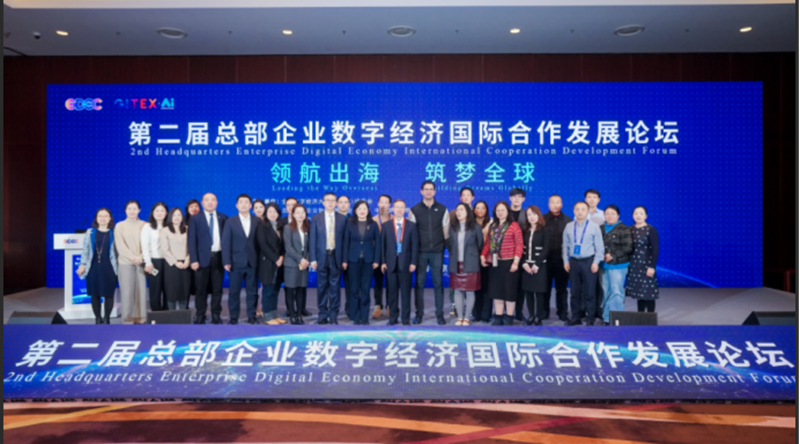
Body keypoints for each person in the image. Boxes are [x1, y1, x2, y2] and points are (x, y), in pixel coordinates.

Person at [408, 180, 449, 325]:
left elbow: (446, 231)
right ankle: (419, 314)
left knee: (438, 283)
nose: (428, 191)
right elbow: (411, 233)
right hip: (420, 252)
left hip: (437, 251)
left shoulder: (443, 209)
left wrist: (445, 247)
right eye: (426, 189)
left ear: (435, 191)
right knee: (419, 283)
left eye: (431, 189)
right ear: (421, 191)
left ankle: (439, 314)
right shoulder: (414, 210)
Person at [480, 201, 523, 326]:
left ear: (507, 211)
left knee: (509, 291)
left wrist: (516, 262)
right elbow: (488, 243)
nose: (500, 212)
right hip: (495, 263)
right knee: (496, 291)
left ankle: (509, 316)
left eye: (503, 210)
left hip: (510, 263)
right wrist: (482, 255)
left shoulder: (514, 225)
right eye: (498, 210)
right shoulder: (493, 226)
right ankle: (498, 316)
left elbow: (519, 244)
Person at [562, 201, 605, 326]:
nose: (580, 212)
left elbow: (600, 247)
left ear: (587, 212)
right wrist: (565, 261)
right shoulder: (569, 226)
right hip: (573, 262)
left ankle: (590, 318)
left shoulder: (594, 226)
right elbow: (564, 246)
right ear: (574, 211)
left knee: (590, 292)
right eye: (577, 209)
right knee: (574, 292)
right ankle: (576, 316)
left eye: (583, 209)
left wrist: (596, 262)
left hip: (589, 262)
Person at [188, 193, 228, 324]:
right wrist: (194, 260)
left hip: (219, 257)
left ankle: (216, 315)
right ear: (202, 202)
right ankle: (200, 314)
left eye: (213, 200)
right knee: (201, 290)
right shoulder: (195, 218)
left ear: (217, 202)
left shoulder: (223, 218)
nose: (210, 202)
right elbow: (191, 241)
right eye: (207, 200)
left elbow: (227, 241)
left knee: (217, 289)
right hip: (201, 259)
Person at [309, 192, 346, 325]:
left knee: (335, 288)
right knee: (322, 287)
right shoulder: (316, 218)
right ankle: (322, 314)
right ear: (323, 202)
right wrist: (313, 258)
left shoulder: (342, 218)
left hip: (336, 256)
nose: (330, 203)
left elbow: (345, 241)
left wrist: (344, 259)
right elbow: (312, 240)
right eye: (327, 200)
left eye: (333, 200)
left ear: (336, 203)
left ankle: (334, 314)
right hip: (321, 257)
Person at [222, 194, 259, 325]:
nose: (243, 204)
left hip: (253, 262)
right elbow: (225, 243)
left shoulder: (257, 221)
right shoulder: (230, 221)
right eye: (241, 202)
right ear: (237, 205)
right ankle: (233, 317)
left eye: (246, 202)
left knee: (252, 292)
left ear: (250, 205)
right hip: (235, 262)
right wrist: (226, 261)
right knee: (234, 292)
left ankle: (252, 316)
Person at [342, 200, 382, 325]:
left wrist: (376, 260)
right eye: (359, 209)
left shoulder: (373, 224)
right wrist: (344, 260)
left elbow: (378, 243)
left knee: (365, 289)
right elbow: (345, 243)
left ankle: (364, 317)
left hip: (368, 261)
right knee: (354, 289)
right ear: (355, 211)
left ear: (368, 210)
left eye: (364, 208)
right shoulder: (350, 224)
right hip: (353, 260)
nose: (362, 211)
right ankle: (355, 316)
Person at [76, 208, 118, 324]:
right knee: (95, 294)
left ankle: (107, 318)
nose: (103, 218)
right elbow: (85, 250)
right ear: (96, 218)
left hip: (109, 268)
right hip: (93, 267)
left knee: (109, 294)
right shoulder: (90, 232)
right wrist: (82, 264)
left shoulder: (114, 233)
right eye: (100, 216)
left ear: (110, 218)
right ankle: (98, 318)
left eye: (106, 216)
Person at [380, 199, 418, 325]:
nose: (399, 210)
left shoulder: (411, 225)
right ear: (392, 209)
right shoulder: (386, 225)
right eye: (397, 207)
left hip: (406, 264)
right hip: (390, 263)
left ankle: (405, 319)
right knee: (392, 293)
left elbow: (414, 246)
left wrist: (413, 262)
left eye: (402, 207)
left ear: (405, 209)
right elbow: (382, 246)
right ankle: (393, 318)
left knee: (406, 293)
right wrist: (383, 262)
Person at [446, 203, 484, 326]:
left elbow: (480, 244)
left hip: (470, 262)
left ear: (468, 212)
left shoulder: (476, 227)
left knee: (470, 291)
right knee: (457, 291)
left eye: (461, 210)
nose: (458, 212)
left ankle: (467, 317)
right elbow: (450, 245)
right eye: (457, 210)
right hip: (456, 263)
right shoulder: (452, 227)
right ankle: (460, 317)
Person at [114, 200, 147, 324]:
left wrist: (140, 258)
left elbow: (149, 244)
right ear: (125, 210)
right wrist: (133, 258)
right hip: (125, 263)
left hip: (141, 262)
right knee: (127, 293)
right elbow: (120, 246)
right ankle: (128, 321)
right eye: (129, 209)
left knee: (141, 292)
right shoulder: (120, 226)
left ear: (139, 210)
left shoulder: (145, 225)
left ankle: (141, 319)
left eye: (135, 208)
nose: (132, 211)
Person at [601, 205, 633, 325]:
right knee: (606, 292)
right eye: (607, 213)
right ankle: (606, 318)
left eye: (612, 213)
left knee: (616, 292)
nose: (609, 216)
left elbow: (628, 247)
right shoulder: (600, 228)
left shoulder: (624, 229)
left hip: (618, 266)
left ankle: (617, 318)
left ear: (618, 215)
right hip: (603, 266)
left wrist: (613, 255)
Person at [447, 187, 475, 318]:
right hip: (457, 255)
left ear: (472, 197)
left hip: (471, 255)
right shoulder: (454, 213)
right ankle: (454, 305)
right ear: (460, 198)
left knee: (471, 286)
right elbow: (449, 234)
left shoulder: (476, 212)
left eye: (468, 195)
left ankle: (471, 309)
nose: (466, 197)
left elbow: (478, 240)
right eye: (463, 195)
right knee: (455, 284)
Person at [543, 194, 572, 321]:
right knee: (545, 289)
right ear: (548, 204)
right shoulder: (542, 219)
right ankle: (544, 312)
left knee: (562, 289)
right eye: (552, 202)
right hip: (545, 260)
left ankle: (562, 312)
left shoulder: (568, 220)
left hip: (562, 260)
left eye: (558, 202)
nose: (555, 205)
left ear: (562, 204)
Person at [626, 206, 660, 313]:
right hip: (634, 265)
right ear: (632, 216)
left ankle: (650, 318)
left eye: (641, 213)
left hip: (646, 265)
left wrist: (652, 266)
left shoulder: (651, 229)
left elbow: (655, 249)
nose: (638, 216)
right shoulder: (630, 229)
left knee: (648, 293)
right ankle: (640, 317)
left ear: (646, 216)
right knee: (639, 293)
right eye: (636, 213)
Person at [521, 205, 550, 326]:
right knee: (528, 292)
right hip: (526, 266)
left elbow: (546, 249)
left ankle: (538, 317)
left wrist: (537, 265)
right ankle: (531, 315)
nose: (531, 217)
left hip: (540, 266)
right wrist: (524, 263)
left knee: (539, 292)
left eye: (534, 214)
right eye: (529, 215)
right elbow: (520, 249)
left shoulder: (544, 230)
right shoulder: (524, 230)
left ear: (539, 215)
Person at [257, 202, 286, 325]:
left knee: (275, 290)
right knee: (268, 291)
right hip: (267, 262)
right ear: (266, 213)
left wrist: (282, 257)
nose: (272, 214)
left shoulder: (281, 226)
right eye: (270, 212)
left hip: (279, 263)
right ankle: (268, 317)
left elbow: (284, 244)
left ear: (278, 213)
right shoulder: (262, 226)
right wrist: (276, 258)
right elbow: (263, 245)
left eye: (275, 212)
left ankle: (275, 315)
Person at [282, 203, 310, 324]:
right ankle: (292, 315)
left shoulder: (308, 227)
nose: (300, 215)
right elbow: (288, 247)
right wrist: (301, 259)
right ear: (293, 214)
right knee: (290, 290)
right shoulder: (288, 228)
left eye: (302, 212)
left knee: (300, 290)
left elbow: (310, 246)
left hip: (304, 264)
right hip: (291, 264)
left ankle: (299, 315)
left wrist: (306, 259)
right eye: (297, 212)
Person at [160, 207, 192, 310]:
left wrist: (187, 260)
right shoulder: (165, 230)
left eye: (179, 215)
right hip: (171, 265)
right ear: (170, 217)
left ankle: (183, 315)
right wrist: (175, 262)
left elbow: (192, 246)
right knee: (171, 291)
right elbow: (165, 249)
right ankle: (172, 315)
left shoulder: (188, 229)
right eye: (174, 215)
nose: (177, 217)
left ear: (182, 217)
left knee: (184, 290)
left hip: (185, 264)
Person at [141, 202, 169, 312]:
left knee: (168, 289)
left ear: (166, 213)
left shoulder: (170, 226)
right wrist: (148, 262)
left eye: (162, 210)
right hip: (154, 261)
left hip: (168, 261)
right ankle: (156, 314)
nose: (159, 213)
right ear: (152, 212)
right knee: (155, 290)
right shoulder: (147, 227)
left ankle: (167, 314)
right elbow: (144, 246)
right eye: (157, 210)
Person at [584, 189, 606, 323]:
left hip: (598, 253)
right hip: (584, 254)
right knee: (584, 283)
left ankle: (597, 309)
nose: (592, 199)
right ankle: (583, 309)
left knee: (598, 283)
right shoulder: (580, 213)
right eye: (589, 197)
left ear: (599, 200)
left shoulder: (603, 215)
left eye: (594, 197)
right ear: (585, 199)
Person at [508, 188, 529, 321]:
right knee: (507, 284)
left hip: (522, 253)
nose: (516, 199)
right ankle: (506, 311)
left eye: (519, 196)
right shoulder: (503, 212)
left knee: (521, 285)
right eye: (514, 196)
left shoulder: (527, 214)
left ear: (523, 199)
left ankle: (519, 311)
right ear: (510, 198)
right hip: (506, 254)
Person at [371, 194, 392, 319]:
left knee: (391, 282)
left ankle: (390, 306)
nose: (383, 205)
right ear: (378, 204)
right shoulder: (372, 220)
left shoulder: (394, 219)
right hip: (377, 256)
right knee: (378, 282)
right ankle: (378, 306)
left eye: (386, 202)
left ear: (390, 205)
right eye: (381, 202)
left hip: (391, 255)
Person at [472, 200, 492, 323]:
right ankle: (476, 313)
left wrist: (484, 255)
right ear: (474, 210)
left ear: (487, 210)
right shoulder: (470, 223)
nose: (480, 210)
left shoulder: (491, 223)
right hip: (473, 258)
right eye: (478, 208)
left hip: (487, 258)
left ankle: (486, 314)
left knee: (487, 288)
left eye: (483, 208)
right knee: (475, 287)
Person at [337, 195, 353, 317]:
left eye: (345, 202)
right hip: (335, 256)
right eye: (340, 202)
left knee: (350, 284)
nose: (343, 204)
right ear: (337, 204)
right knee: (334, 285)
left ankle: (350, 308)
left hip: (350, 257)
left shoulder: (354, 219)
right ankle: (334, 309)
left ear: (349, 204)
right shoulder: (332, 218)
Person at [184, 198, 202, 306]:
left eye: (196, 206)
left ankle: (199, 311)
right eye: (191, 206)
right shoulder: (182, 221)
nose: (194, 208)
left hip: (199, 257)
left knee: (199, 286)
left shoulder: (203, 220)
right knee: (186, 285)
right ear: (187, 209)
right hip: (185, 257)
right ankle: (185, 309)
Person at [252, 198, 267, 318]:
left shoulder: (268, 221)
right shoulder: (250, 221)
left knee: (264, 284)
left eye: (261, 207)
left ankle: (261, 307)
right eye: (256, 208)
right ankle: (254, 308)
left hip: (265, 257)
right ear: (252, 210)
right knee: (252, 284)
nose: (258, 210)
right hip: (252, 256)